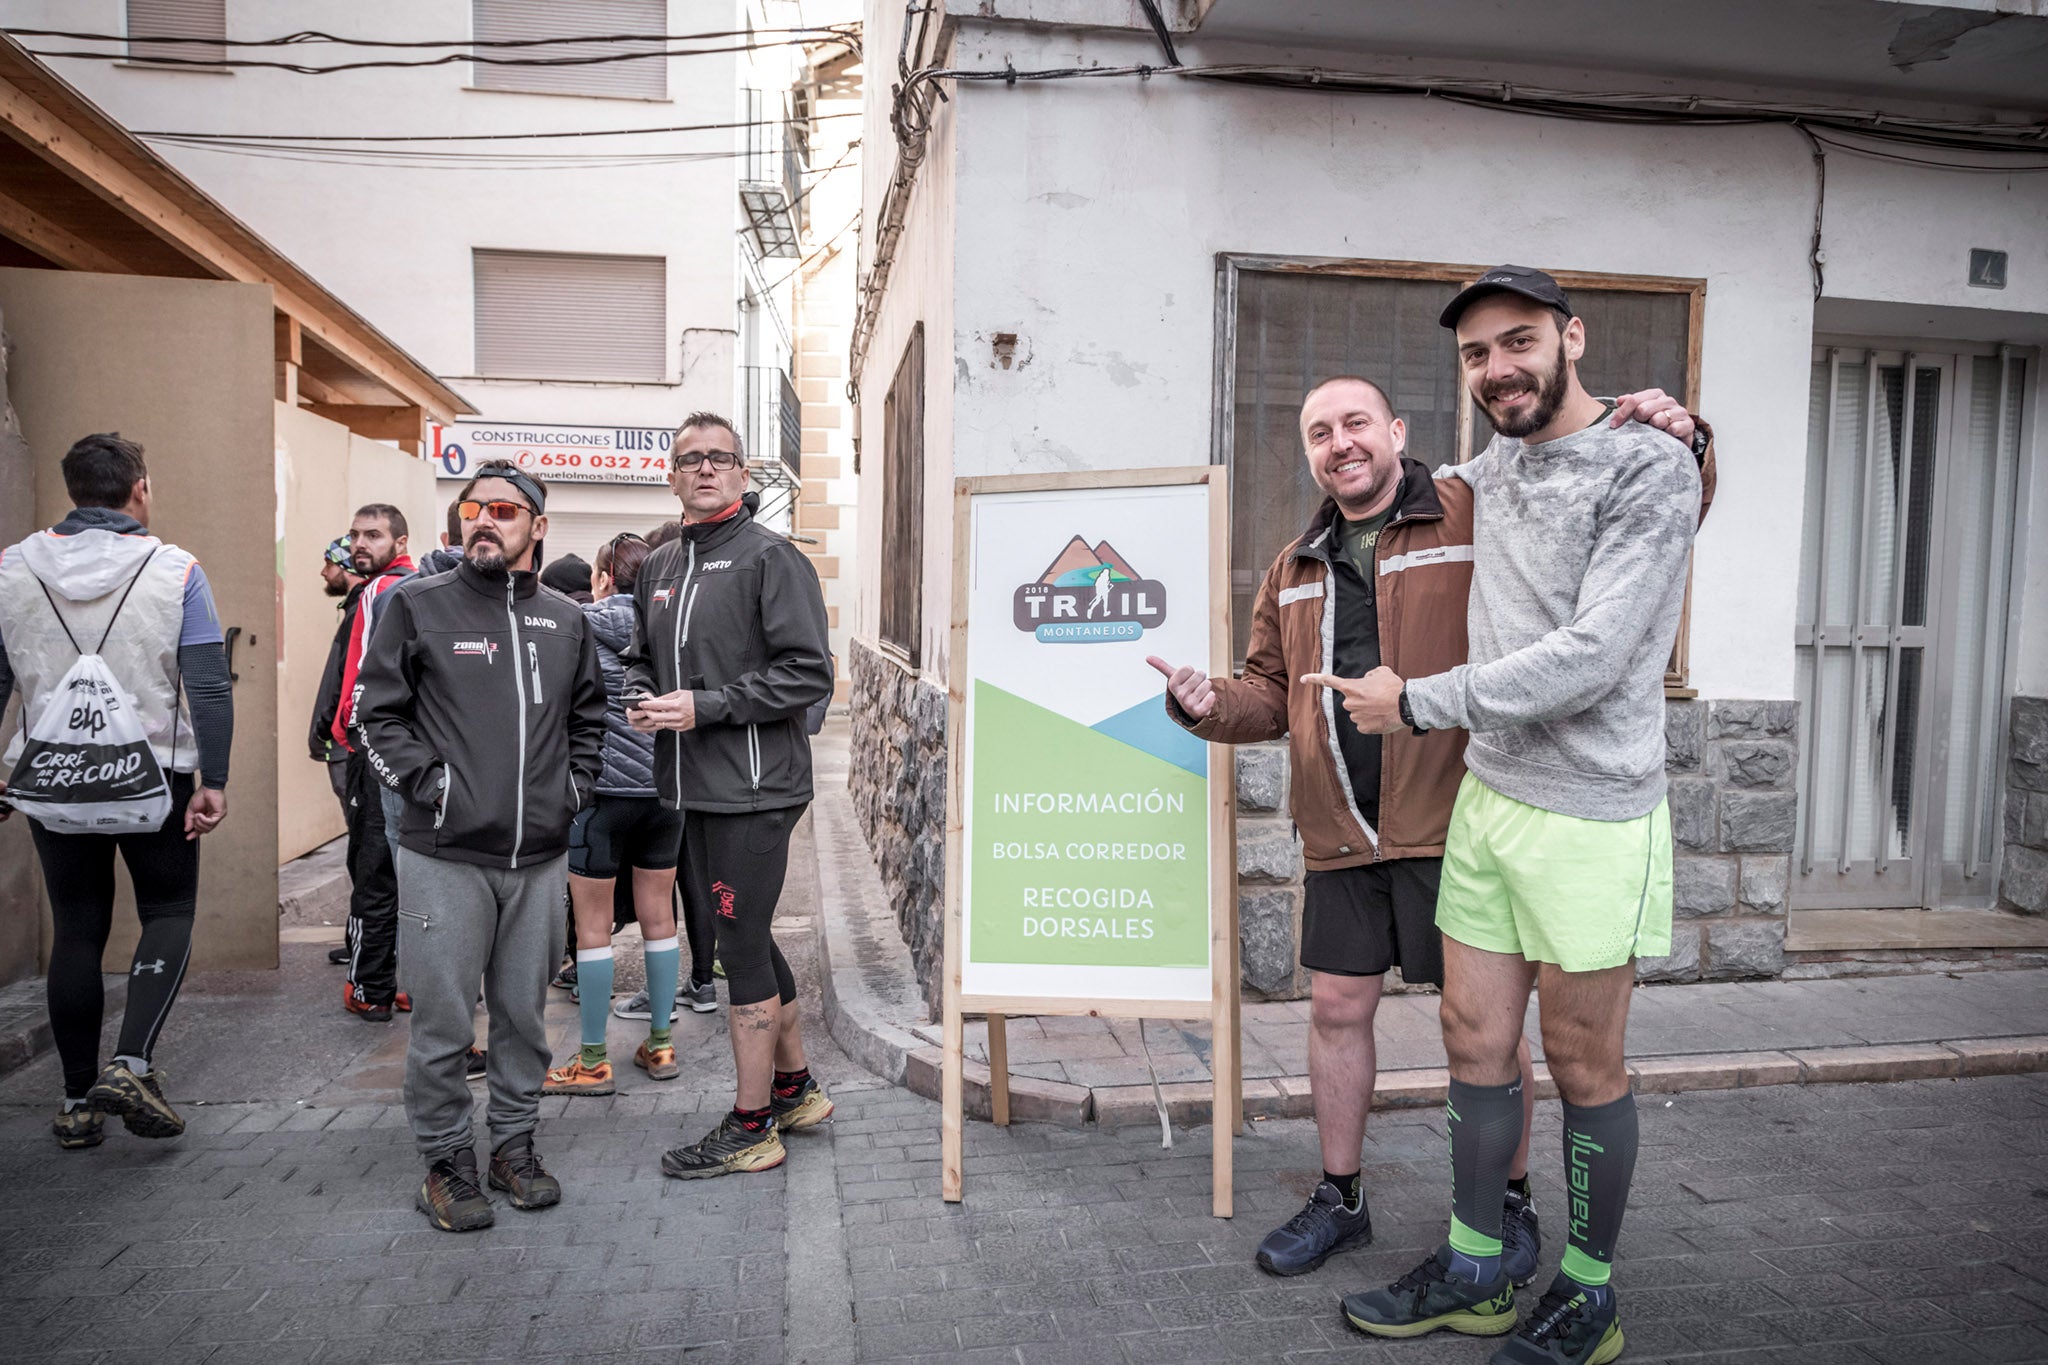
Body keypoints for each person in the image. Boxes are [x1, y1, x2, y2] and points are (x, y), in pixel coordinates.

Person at [1327, 268, 1702, 1362]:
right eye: (1476, 354)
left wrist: (1418, 705)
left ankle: (1587, 1294)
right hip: (1491, 803)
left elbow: (1589, 659)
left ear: (1570, 339)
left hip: (1591, 814)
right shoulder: (1492, 469)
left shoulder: (1649, 464)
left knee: (1583, 1064)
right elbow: (1386, 482)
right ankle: (1477, 1265)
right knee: (1470, 1037)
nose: (1497, 368)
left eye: (1518, 341)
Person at [354, 459, 606, 1232]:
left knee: (526, 1018)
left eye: (504, 509)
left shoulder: (566, 620)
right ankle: (446, 1161)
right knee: (442, 1025)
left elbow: (590, 721)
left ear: (538, 526)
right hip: (445, 855)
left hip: (538, 858)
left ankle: (514, 1147)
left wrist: (572, 791)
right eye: (473, 509)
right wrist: (434, 787)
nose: (485, 521)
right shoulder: (416, 605)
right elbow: (376, 715)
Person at [0, 433, 233, 1149]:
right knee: (167, 908)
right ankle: (130, 1062)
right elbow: (208, 683)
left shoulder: (11, 567)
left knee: (76, 927)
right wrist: (214, 777)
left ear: (73, 491)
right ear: (140, 489)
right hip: (153, 773)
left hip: (54, 773)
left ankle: (74, 1103)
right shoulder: (176, 569)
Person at [624, 412, 835, 1179]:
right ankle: (796, 1088)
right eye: (691, 459)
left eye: (721, 458)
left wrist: (704, 705)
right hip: (690, 785)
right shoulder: (660, 564)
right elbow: (640, 657)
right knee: (741, 930)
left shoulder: (772, 558)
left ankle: (752, 1125)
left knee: (734, 946)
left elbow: (810, 674)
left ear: (743, 476)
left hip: (758, 788)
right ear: (672, 475)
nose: (706, 468)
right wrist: (643, 694)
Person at [543, 532, 695, 1095]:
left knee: (591, 929)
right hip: (663, 795)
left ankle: (591, 1059)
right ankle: (659, 1045)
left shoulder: (578, 625)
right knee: (660, 919)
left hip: (600, 796)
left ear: (604, 575)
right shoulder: (670, 624)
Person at [331, 505, 414, 1022]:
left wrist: (345, 731)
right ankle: (400, 982)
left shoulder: (380, 592)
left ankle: (370, 987)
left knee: (373, 869)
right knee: (403, 872)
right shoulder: (419, 588)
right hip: (405, 752)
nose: (360, 544)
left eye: (374, 535)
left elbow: (361, 676)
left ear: (400, 542)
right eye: (356, 534)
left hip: (373, 750)